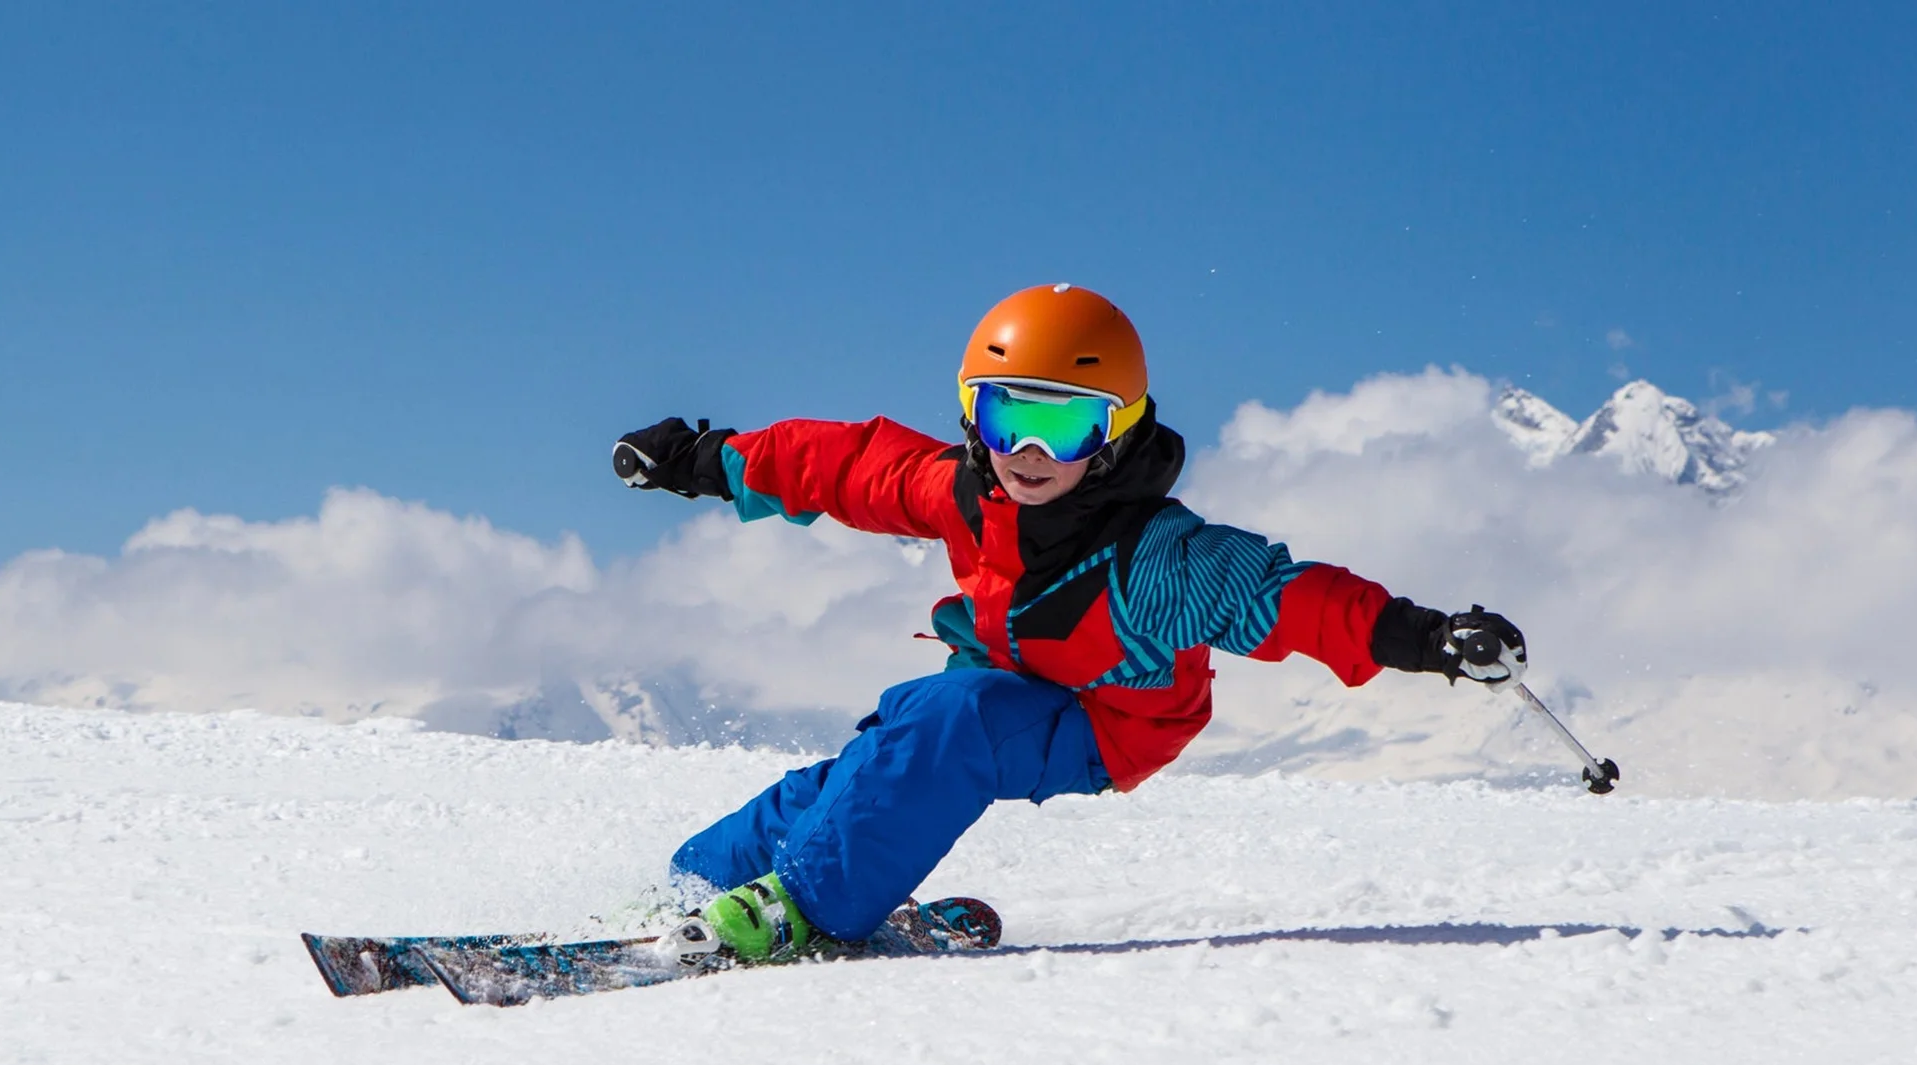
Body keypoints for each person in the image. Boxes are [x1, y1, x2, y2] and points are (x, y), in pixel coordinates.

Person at [612, 283, 1525, 963]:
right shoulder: (963, 490)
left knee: (946, 722)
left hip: (1106, 721)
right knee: (868, 762)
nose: (1032, 454)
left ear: (1117, 431)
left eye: (1068, 425)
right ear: (974, 417)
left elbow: (1293, 600)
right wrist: (703, 460)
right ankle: (696, 886)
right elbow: (847, 464)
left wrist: (1427, 637)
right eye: (1010, 417)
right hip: (1003, 686)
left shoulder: (1159, 557)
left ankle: (803, 908)